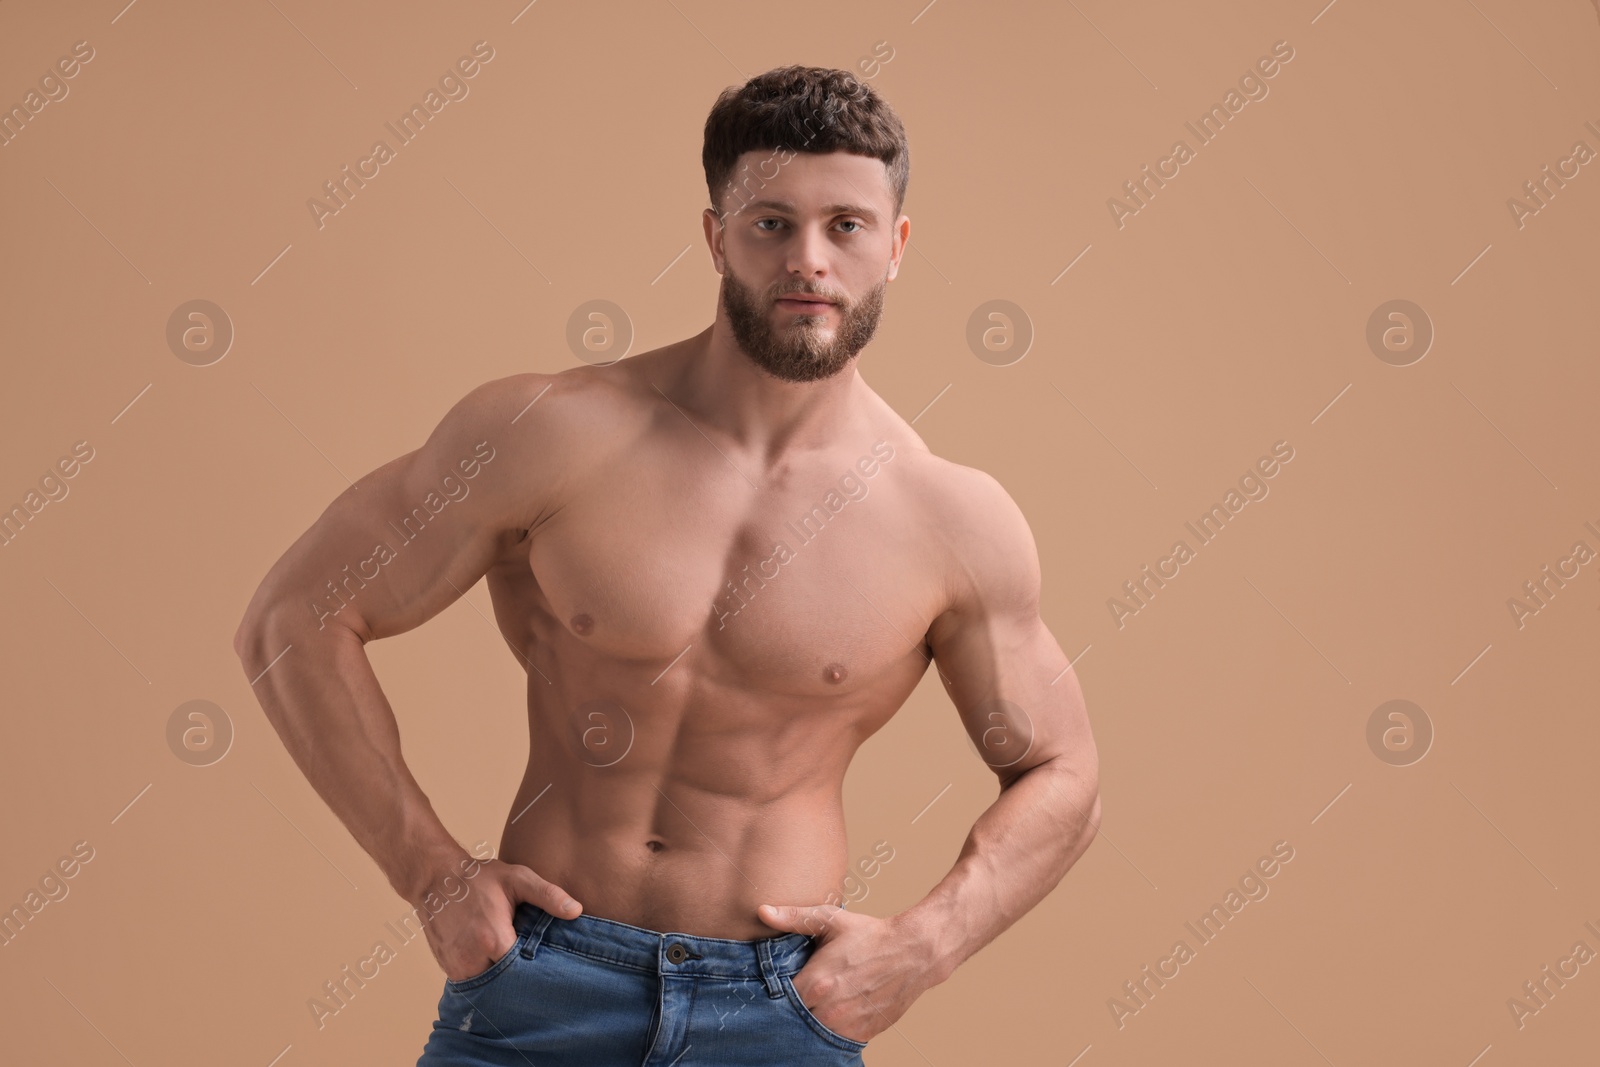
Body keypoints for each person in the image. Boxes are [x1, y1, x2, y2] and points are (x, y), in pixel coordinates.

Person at [234, 64, 1099, 1066]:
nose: (808, 259)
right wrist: (430, 874)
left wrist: (924, 946)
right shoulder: (548, 433)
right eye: (770, 222)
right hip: (535, 991)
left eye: (846, 226)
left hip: (778, 1014)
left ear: (896, 246)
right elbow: (294, 616)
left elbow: (1063, 770)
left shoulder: (950, 517)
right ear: (714, 235)